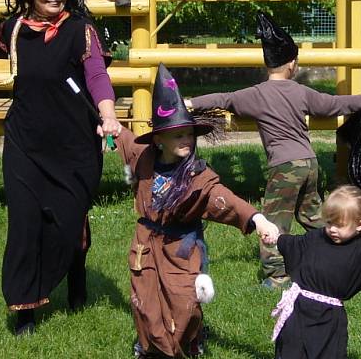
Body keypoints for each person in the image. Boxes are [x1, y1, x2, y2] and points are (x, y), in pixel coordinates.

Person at [187, 12, 361, 290]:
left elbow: (223, 99)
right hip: (309, 164)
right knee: (313, 216)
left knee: (275, 221)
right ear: (292, 64)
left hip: (284, 167)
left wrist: (190, 103)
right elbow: (332, 104)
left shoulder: (256, 94)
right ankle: (349, 254)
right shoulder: (301, 91)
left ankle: (276, 277)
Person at [0, 0, 122, 335]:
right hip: (24, 144)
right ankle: (25, 309)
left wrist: (109, 114)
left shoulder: (80, 29)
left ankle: (75, 271)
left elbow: (97, 76)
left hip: (74, 147)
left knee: (67, 227)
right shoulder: (12, 30)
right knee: (25, 225)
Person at [115, 63, 279, 358]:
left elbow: (223, 198)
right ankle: (151, 346)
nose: (186, 140)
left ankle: (188, 342)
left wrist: (258, 219)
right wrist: (109, 126)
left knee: (186, 305)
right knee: (147, 305)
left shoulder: (198, 177)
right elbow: (125, 140)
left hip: (181, 249)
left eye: (189, 134)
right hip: (146, 247)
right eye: (178, 135)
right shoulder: (144, 158)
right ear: (158, 140)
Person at [270, 185, 361, 359]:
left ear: (359, 225)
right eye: (329, 222)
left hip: (328, 321)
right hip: (297, 313)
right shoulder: (316, 238)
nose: (332, 229)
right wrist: (274, 237)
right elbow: (292, 244)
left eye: (339, 224)